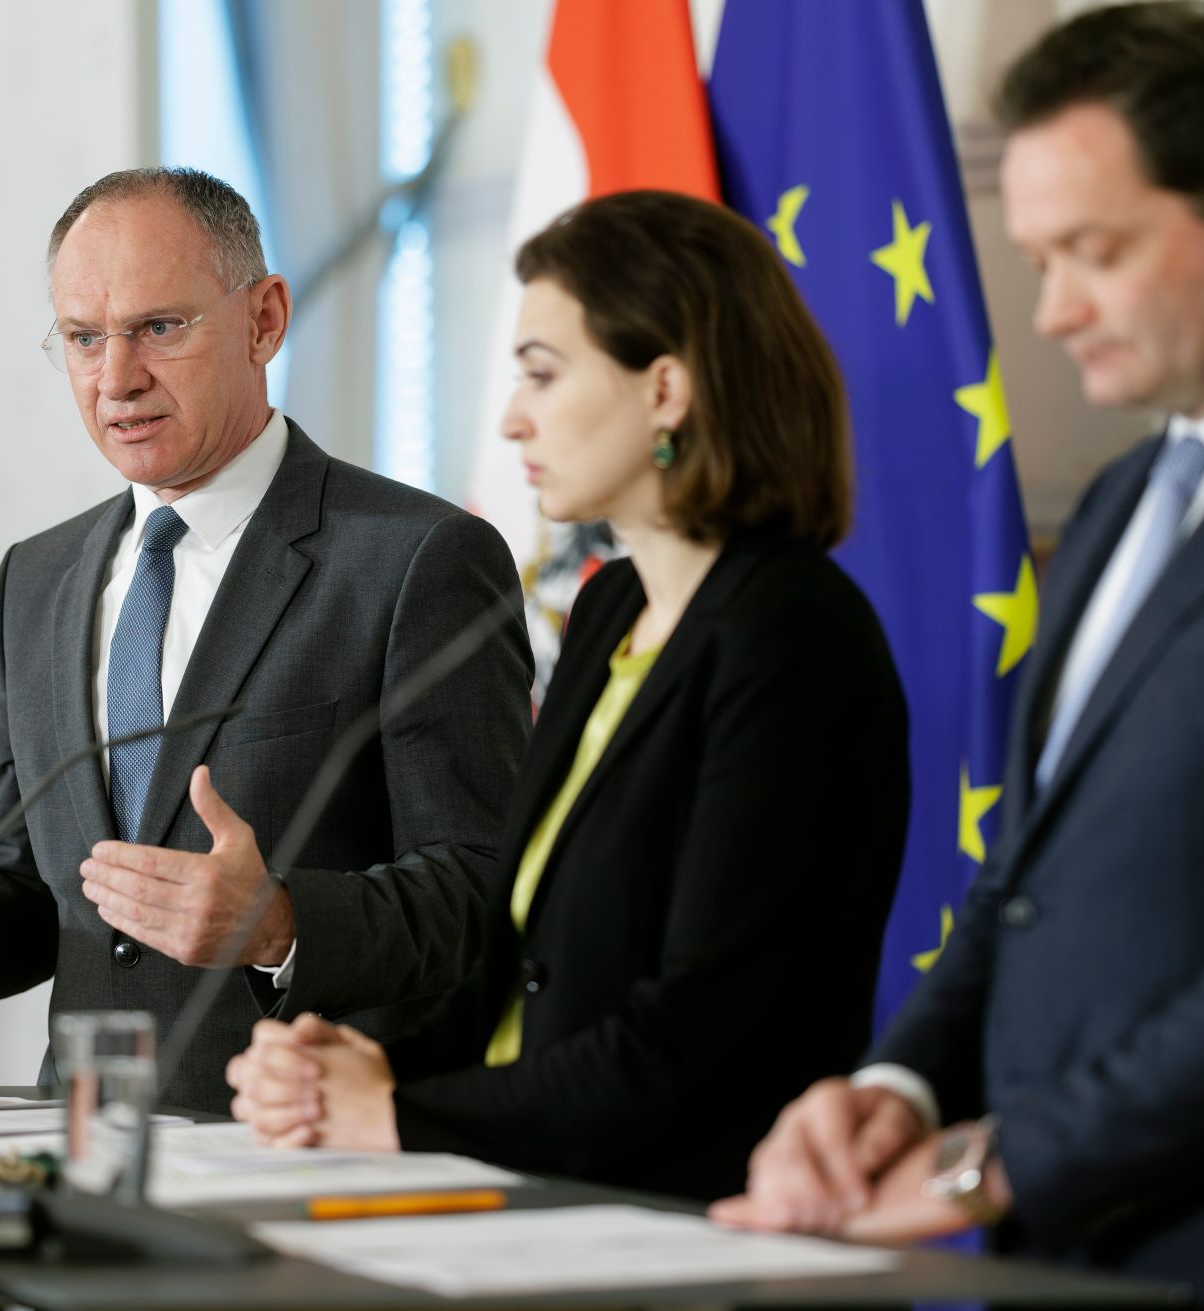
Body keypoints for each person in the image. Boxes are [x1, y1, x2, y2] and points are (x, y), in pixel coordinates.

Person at [711, 6, 1204, 1308]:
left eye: (1093, 252)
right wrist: (894, 1085)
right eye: (1036, 259)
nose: (1055, 310)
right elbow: (1019, 885)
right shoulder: (1127, 497)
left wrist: (1002, 1158)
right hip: (1076, 1251)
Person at [0, 167, 534, 1113]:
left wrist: (281, 921)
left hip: (303, 1146)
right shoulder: (38, 579)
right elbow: (33, 891)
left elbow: (483, 889)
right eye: (85, 339)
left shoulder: (417, 559)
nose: (116, 378)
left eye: (159, 328)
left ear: (264, 319)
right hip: (80, 1149)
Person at [225, 190, 910, 1202]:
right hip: (533, 1195)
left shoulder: (792, 637)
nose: (509, 418)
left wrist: (400, 1116)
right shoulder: (610, 608)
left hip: (687, 1219)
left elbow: (704, 1039)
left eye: (543, 375)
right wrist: (364, 1066)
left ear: (665, 388)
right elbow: (519, 968)